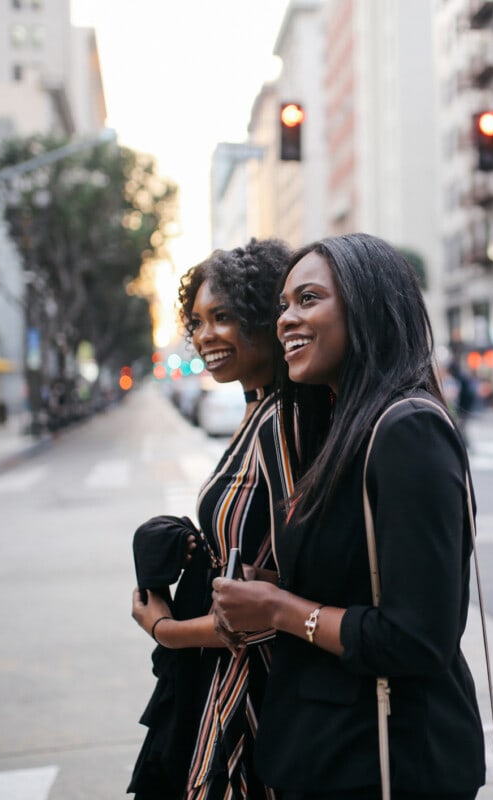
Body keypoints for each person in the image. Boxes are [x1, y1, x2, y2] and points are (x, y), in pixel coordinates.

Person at [211, 233, 486, 799]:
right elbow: (351, 576)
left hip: (389, 761)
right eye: (283, 305)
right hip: (322, 753)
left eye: (308, 299)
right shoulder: (334, 429)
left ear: (366, 305)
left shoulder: (408, 430)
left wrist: (281, 608)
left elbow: (418, 638)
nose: (286, 319)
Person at [129, 239, 292, 800]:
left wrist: (166, 631)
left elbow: (271, 608)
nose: (204, 337)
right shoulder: (259, 409)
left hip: (261, 694)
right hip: (235, 684)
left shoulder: (286, 423)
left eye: (223, 317)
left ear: (267, 317)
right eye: (197, 321)